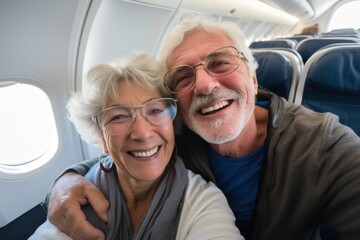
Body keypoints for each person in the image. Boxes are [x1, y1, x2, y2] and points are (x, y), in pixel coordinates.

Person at [45, 16, 360, 239]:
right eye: (184, 76)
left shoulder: (325, 146)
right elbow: (127, 150)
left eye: (219, 63)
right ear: (176, 102)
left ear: (252, 77)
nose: (205, 85)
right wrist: (65, 182)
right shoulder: (176, 131)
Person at [30, 52, 243, 240]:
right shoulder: (75, 198)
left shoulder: (202, 201)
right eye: (119, 117)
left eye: (155, 111)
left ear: (172, 123)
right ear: (101, 137)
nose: (142, 133)